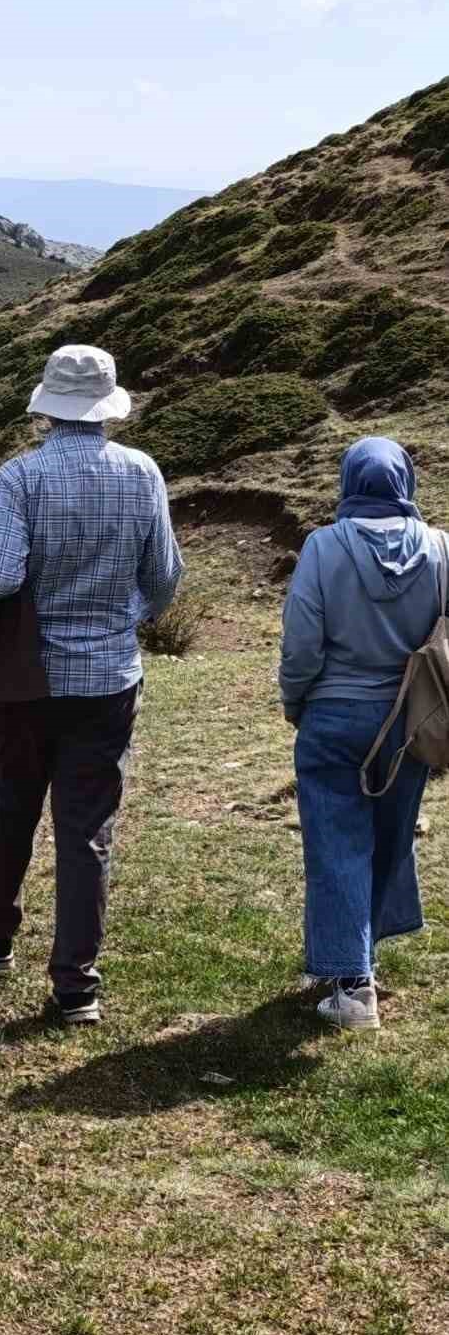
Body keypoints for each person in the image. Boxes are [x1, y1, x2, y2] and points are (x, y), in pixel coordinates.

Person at [0, 344, 184, 1023]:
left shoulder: (20, 477)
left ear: (47, 407)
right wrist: (124, 620)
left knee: (13, 805)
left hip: (29, 677)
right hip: (110, 678)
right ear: (106, 408)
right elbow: (165, 579)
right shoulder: (142, 473)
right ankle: (75, 985)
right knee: (88, 829)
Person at [280, 437, 441, 1032]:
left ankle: (351, 983)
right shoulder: (442, 549)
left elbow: (301, 643)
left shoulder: (324, 547)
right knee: (389, 836)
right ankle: (359, 958)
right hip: (411, 722)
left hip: (334, 715)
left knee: (336, 843)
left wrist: (296, 702)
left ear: (348, 482)